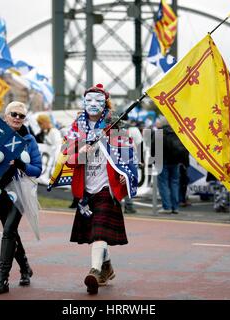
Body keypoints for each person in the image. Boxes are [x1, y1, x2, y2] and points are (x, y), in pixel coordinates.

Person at [64, 83, 137, 295]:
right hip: (86, 190)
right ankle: (106, 267)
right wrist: (82, 152)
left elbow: (128, 156)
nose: (93, 104)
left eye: (98, 101)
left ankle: (94, 271)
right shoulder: (76, 128)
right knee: (95, 232)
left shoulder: (114, 126)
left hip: (108, 187)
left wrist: (127, 175)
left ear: (105, 103)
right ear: (83, 103)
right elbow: (69, 159)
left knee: (99, 230)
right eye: (89, 100)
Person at [0, 101, 42, 294]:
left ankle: (2, 279)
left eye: (21, 116)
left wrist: (21, 164)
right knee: (11, 232)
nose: (17, 118)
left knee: (8, 231)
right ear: (6, 116)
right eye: (14, 114)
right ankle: (25, 268)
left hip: (20, 192)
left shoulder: (29, 141)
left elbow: (37, 170)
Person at [156, 117, 187, 214]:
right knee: (174, 183)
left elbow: (153, 148)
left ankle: (167, 207)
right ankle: (175, 207)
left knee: (163, 183)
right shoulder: (176, 133)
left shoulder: (159, 133)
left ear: (162, 124)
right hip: (175, 161)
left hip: (162, 161)